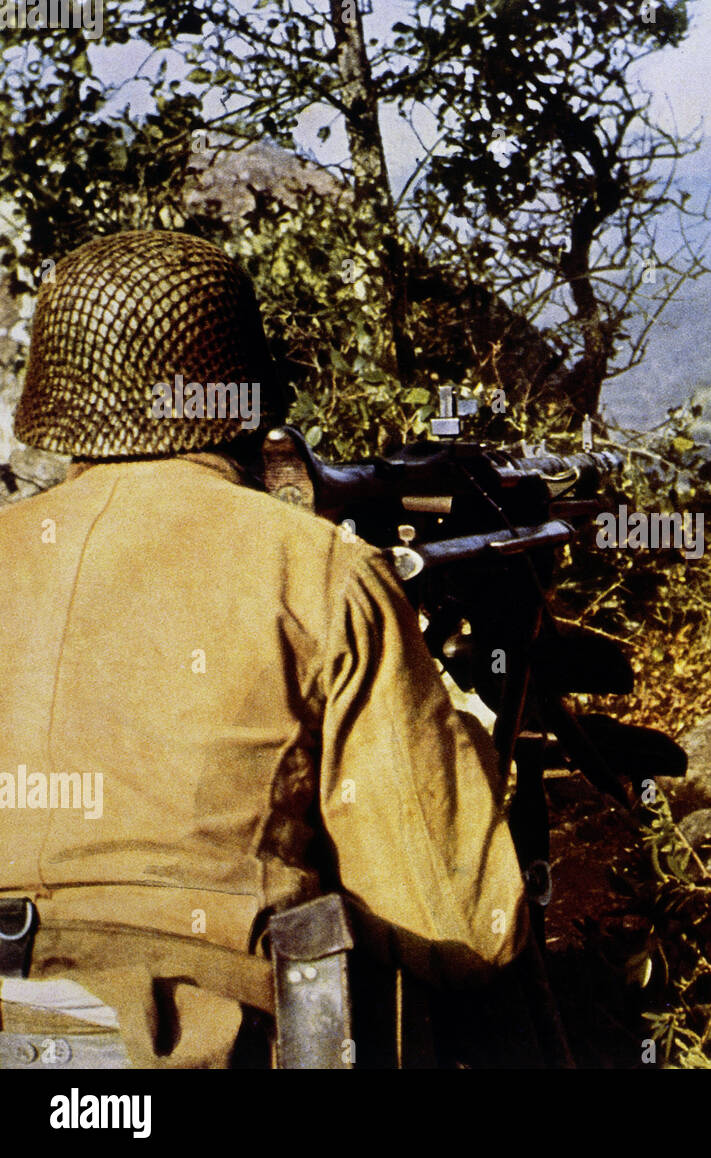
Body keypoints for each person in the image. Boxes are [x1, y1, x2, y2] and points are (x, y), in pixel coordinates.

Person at [0, 230, 527, 1068]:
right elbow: (460, 928)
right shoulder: (321, 572)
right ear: (244, 404)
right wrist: (459, 729)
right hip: (188, 1041)